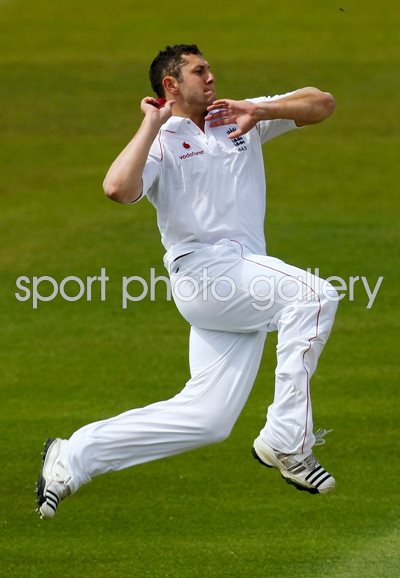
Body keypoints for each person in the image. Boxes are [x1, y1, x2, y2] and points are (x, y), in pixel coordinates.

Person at [37, 44, 339, 519]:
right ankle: (286, 441)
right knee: (314, 297)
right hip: (205, 274)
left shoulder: (238, 116)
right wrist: (150, 125)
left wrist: (261, 110)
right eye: (200, 71)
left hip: (240, 282)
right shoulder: (158, 139)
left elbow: (322, 103)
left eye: (211, 67)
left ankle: (73, 455)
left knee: (208, 419)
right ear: (171, 86)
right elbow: (118, 189)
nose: (212, 77)